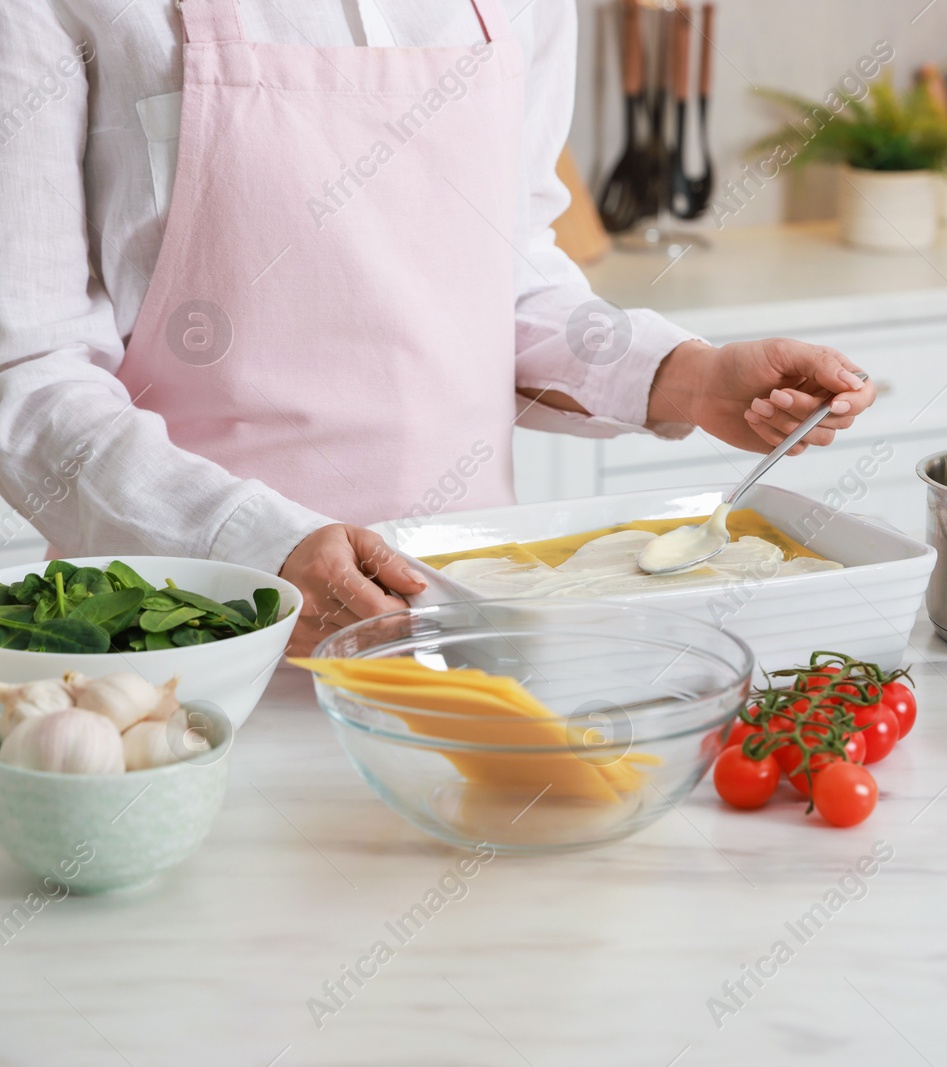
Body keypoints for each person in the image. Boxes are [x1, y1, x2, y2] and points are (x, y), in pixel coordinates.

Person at [0, 0, 874, 655]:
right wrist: (257, 551)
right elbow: (27, 374)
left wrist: (683, 374)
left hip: (477, 632)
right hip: (187, 651)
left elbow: (506, 268)